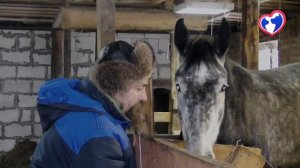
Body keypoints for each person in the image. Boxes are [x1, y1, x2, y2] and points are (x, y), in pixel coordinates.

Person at [30, 40, 155, 168]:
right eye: (139, 88)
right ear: (118, 86)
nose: (144, 97)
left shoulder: (86, 111)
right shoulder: (98, 134)